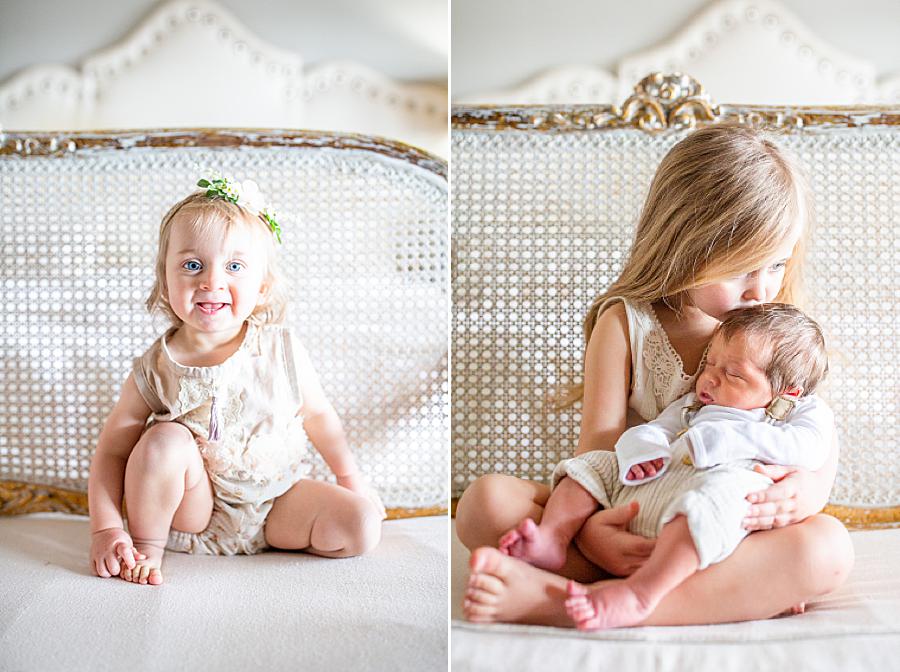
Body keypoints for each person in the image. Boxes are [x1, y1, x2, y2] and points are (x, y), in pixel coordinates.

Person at [457, 125, 854, 627]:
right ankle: (717, 593)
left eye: (775, 264)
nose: (762, 289)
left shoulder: (774, 330)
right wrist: (591, 532)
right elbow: (596, 452)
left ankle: (564, 602)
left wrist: (808, 493)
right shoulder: (626, 325)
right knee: (485, 504)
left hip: (722, 519)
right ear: (684, 243)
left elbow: (815, 433)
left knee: (827, 549)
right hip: (636, 509)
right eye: (742, 268)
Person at [88, 173, 385, 585]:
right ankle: (145, 552)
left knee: (362, 524)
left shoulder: (281, 349)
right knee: (162, 442)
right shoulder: (155, 367)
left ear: (262, 287)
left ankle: (280, 542)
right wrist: (106, 529)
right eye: (192, 265)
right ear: (165, 280)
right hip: (194, 513)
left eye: (234, 266)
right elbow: (111, 453)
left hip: (274, 505)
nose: (211, 281)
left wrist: (351, 480)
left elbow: (319, 416)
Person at [499, 304, 831, 629]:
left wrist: (726, 439)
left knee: (716, 508)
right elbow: (657, 429)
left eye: (732, 374)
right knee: (590, 466)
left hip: (718, 492)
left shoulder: (796, 414)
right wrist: (645, 450)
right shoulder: (692, 405)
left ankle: (640, 594)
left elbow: (812, 448)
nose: (710, 379)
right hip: (654, 489)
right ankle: (553, 538)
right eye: (709, 364)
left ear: (787, 393)